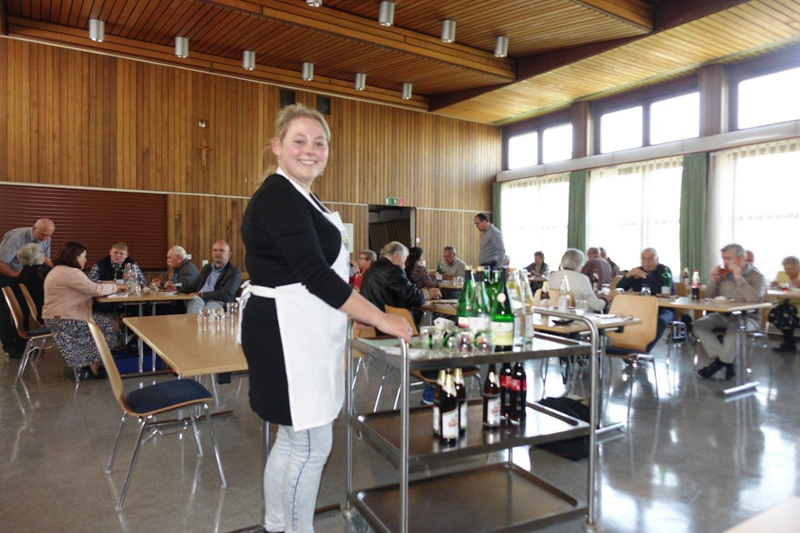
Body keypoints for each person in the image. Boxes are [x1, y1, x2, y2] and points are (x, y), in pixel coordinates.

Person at [239, 104, 411, 533]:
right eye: (299, 141)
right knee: (312, 445)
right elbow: (316, 276)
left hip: (296, 328)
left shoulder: (301, 195)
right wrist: (383, 319)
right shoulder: (280, 196)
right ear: (277, 146)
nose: (310, 150)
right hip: (286, 331)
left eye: (319, 143)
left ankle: (277, 526)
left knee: (292, 440)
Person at [42, 241, 125, 378]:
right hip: (67, 320)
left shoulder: (59, 270)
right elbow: (96, 290)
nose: (86, 260)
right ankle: (91, 364)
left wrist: (106, 284)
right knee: (114, 325)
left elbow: (88, 285)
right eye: (84, 256)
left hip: (58, 317)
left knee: (108, 323)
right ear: (74, 256)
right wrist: (116, 287)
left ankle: (89, 362)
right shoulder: (71, 273)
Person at [696, 244, 764, 380]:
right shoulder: (724, 275)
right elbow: (709, 296)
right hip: (724, 315)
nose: (725, 262)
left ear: (741, 259)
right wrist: (713, 280)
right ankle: (725, 360)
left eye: (728, 258)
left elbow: (753, 299)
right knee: (699, 325)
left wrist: (738, 277)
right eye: (723, 259)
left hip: (748, 317)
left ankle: (718, 364)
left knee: (735, 329)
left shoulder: (757, 276)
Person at [0, 219, 55, 358]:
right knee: (6, 312)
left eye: (48, 235)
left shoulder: (46, 238)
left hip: (23, 274)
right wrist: (15, 275)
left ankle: (23, 346)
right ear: (34, 228)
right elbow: (1, 262)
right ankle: (9, 346)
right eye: (42, 234)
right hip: (7, 273)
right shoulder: (16, 238)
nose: (45, 238)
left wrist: (58, 269)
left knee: (24, 310)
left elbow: (45, 259)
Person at [616, 247, 675, 350]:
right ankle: (624, 348)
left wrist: (645, 276)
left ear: (657, 259)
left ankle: (643, 350)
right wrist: (628, 275)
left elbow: (663, 291)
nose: (647, 262)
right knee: (622, 316)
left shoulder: (664, 270)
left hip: (662, 308)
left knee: (660, 321)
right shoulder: (637, 271)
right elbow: (619, 288)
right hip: (641, 307)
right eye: (644, 259)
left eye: (650, 259)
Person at [361, 242, 442, 314]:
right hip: (389, 321)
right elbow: (415, 298)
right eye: (405, 259)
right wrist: (427, 294)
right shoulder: (392, 271)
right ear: (397, 256)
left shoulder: (372, 268)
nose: (404, 266)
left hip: (370, 319)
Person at [165, 241, 241, 314]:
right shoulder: (207, 268)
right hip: (199, 299)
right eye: (215, 250)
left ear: (229, 254)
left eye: (221, 250)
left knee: (205, 313)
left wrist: (202, 294)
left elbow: (225, 293)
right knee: (193, 307)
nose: (217, 253)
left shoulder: (234, 272)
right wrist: (176, 288)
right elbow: (193, 286)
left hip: (218, 301)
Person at [769, 255, 800, 353]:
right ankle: (789, 341)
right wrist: (774, 285)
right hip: (785, 303)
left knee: (786, 313)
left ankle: (789, 342)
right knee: (775, 312)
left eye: (791, 268)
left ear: (798, 267)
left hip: (798, 304)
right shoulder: (781, 275)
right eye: (786, 268)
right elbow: (779, 289)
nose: (788, 271)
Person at [14, 243, 52, 321]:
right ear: (39, 256)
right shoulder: (43, 271)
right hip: (44, 310)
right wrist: (52, 265)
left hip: (29, 311)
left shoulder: (22, 272)